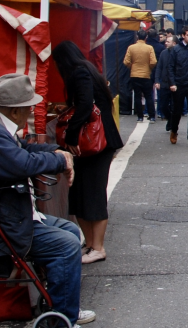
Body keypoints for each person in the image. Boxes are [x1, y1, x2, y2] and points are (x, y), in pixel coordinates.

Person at [0, 74, 96, 327]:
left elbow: (24, 150)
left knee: (71, 231)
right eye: (28, 107)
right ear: (15, 110)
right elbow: (22, 163)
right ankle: (62, 320)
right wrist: (60, 160)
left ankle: (60, 306)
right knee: (66, 245)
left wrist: (57, 152)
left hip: (5, 214)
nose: (31, 111)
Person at [52, 40, 125, 266]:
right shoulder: (88, 69)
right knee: (82, 194)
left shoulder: (79, 73)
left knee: (91, 194)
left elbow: (85, 105)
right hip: (98, 142)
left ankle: (98, 247)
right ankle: (91, 244)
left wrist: (72, 135)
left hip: (95, 144)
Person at [123, 32, 157, 123]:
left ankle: (140, 117)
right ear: (146, 37)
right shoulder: (149, 48)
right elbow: (153, 61)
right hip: (146, 75)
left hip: (134, 74)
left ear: (137, 36)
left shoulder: (131, 47)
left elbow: (126, 61)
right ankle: (152, 116)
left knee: (137, 96)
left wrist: (132, 66)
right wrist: (149, 68)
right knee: (148, 96)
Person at [154, 34, 177, 129]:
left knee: (174, 106)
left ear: (174, 43)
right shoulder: (163, 53)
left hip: (175, 83)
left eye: (168, 42)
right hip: (164, 82)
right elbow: (159, 67)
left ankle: (172, 123)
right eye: (166, 41)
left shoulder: (178, 53)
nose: (166, 43)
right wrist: (157, 80)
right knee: (163, 105)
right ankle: (170, 118)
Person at [145, 29, 167, 119]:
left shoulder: (146, 46)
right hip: (159, 71)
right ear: (156, 36)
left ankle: (147, 111)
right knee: (160, 93)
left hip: (148, 70)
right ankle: (160, 112)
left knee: (148, 93)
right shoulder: (161, 47)